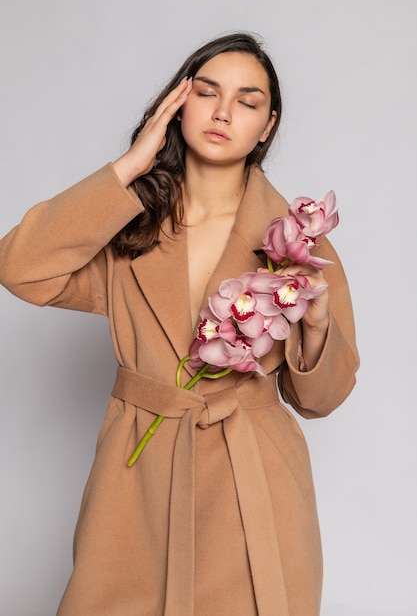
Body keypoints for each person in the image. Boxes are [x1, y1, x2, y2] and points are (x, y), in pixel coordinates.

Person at [0, 32, 359, 616]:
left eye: (247, 101)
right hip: (136, 482)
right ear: (177, 103)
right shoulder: (126, 227)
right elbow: (19, 268)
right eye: (207, 92)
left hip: (254, 485)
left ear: (267, 125)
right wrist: (126, 170)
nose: (222, 112)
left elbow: (323, 399)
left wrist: (316, 329)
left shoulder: (296, 241)